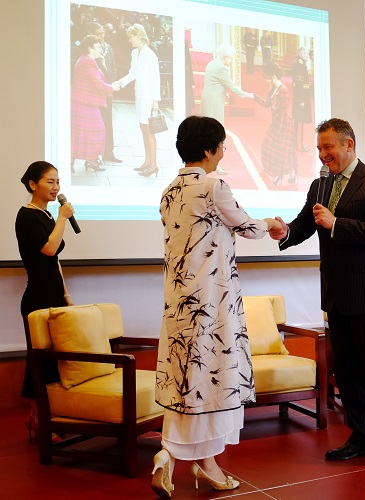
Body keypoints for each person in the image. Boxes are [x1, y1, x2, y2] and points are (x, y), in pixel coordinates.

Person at [151, 116, 281, 497]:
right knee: (213, 380)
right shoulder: (213, 186)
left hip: (179, 307)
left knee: (186, 381)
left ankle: (189, 461)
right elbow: (246, 225)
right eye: (221, 145)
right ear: (208, 150)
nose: (223, 151)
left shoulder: (169, 191)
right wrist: (272, 223)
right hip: (211, 304)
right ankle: (182, 458)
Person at [269, 118, 365, 460]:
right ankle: (363, 438)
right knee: (346, 371)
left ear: (349, 144)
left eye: (328, 146)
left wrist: (337, 224)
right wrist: (285, 232)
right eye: (319, 148)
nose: (322, 154)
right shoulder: (320, 185)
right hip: (336, 292)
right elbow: (306, 223)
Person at [15, 161, 75, 440]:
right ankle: (38, 420)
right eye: (50, 181)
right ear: (33, 184)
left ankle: (45, 418)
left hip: (54, 297)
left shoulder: (48, 216)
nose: (56, 187)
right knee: (38, 361)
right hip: (37, 299)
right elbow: (49, 249)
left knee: (54, 360)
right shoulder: (27, 216)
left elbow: (55, 262)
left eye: (58, 182)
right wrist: (62, 217)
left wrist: (66, 294)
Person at [200, 44, 254, 175]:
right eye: (230, 58)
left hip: (207, 99)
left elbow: (216, 83)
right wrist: (248, 95)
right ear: (224, 57)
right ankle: (213, 164)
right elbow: (232, 87)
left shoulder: (211, 64)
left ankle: (206, 161)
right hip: (215, 102)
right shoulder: (221, 68)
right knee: (216, 133)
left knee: (207, 131)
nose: (231, 61)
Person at [116, 23, 162, 178]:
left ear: (138, 36)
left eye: (131, 37)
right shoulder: (134, 53)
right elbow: (132, 73)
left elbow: (156, 78)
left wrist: (156, 101)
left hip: (149, 97)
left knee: (149, 131)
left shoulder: (150, 55)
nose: (129, 40)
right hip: (139, 96)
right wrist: (121, 82)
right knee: (143, 129)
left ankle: (154, 165)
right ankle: (147, 162)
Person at [71, 35, 119, 174]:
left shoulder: (87, 60)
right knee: (91, 131)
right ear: (90, 47)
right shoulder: (87, 62)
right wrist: (113, 87)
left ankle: (89, 160)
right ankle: (75, 162)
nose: (100, 49)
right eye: (98, 46)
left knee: (83, 132)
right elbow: (97, 83)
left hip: (84, 103)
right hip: (83, 103)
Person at [254, 62, 297, 185]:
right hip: (276, 124)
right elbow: (267, 104)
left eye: (268, 78)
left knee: (283, 153)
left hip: (284, 126)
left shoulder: (283, 90)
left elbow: (283, 112)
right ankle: (282, 173)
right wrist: (255, 97)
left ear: (273, 76)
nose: (267, 81)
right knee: (269, 148)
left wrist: (280, 131)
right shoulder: (272, 89)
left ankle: (286, 174)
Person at [88, 22, 122, 164]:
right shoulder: (90, 49)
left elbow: (113, 68)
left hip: (108, 91)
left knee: (108, 122)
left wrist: (111, 87)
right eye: (98, 33)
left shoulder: (109, 48)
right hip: (96, 92)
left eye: (103, 33)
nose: (102, 36)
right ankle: (93, 155)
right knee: (95, 124)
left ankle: (108, 152)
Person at [291, 46, 313, 152]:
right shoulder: (299, 65)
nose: (308, 56)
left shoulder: (300, 63)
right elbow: (298, 85)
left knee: (299, 122)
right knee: (299, 122)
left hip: (301, 97)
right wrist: (301, 100)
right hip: (300, 98)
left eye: (308, 54)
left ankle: (297, 144)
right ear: (301, 54)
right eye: (306, 54)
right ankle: (299, 146)